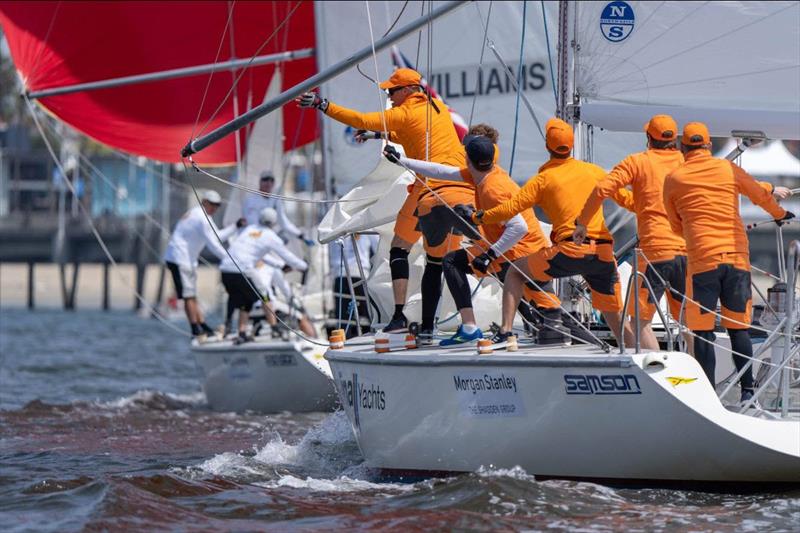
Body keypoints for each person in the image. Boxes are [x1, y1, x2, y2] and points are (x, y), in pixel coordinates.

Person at [297, 67, 470, 341]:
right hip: (463, 188)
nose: (389, 96)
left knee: (399, 249)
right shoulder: (436, 107)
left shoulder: (403, 113)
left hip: (430, 188)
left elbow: (363, 118)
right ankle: (467, 324)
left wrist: (323, 105)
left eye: (391, 91)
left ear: (407, 90)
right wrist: (376, 136)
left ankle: (401, 317)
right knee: (446, 261)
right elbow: (411, 133)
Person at [384, 130, 562, 346]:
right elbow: (440, 171)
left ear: (468, 159)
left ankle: (532, 327)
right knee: (455, 261)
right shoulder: (483, 174)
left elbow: (519, 227)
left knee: (532, 295)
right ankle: (482, 327)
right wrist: (401, 160)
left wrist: (489, 254)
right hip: (515, 249)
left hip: (522, 250)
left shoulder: (492, 188)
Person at [473, 118, 636, 345]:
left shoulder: (543, 179)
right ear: (571, 145)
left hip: (569, 250)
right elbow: (627, 199)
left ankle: (506, 332)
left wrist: (479, 216)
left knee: (515, 272)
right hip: (602, 253)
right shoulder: (595, 172)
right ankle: (640, 356)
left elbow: (510, 209)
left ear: (547, 146)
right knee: (615, 317)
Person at [663, 122, 793, 403]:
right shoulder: (727, 169)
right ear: (709, 145)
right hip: (736, 260)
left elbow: (673, 224)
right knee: (738, 328)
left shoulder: (674, 178)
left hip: (702, 262)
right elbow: (759, 195)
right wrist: (780, 214)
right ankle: (748, 393)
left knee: (702, 331)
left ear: (682, 147)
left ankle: (708, 396)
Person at [572, 115, 687, 351]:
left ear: (648, 138)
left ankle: (659, 374)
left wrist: (582, 222)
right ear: (673, 139)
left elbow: (602, 188)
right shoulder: (687, 163)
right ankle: (700, 377)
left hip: (655, 253)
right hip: (689, 252)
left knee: (638, 322)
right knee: (691, 323)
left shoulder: (638, 162)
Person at [219, 207, 309, 344]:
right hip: (242, 270)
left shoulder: (249, 230)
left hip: (225, 269)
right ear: (274, 223)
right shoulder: (271, 236)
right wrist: (303, 266)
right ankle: (274, 328)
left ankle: (241, 333)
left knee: (245, 300)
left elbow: (261, 255)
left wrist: (280, 266)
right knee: (265, 296)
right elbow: (288, 256)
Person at [164, 190, 243, 337]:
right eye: (212, 204)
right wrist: (232, 260)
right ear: (204, 202)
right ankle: (196, 328)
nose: (215, 208)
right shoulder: (201, 218)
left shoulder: (201, 214)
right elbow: (213, 244)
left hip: (186, 260)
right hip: (179, 259)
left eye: (217, 205)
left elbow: (216, 236)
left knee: (191, 294)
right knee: (188, 295)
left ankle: (202, 325)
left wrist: (235, 227)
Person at [242, 172, 315, 246]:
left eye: (271, 180)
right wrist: (271, 235)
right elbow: (252, 225)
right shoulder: (251, 200)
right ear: (260, 182)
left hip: (266, 238)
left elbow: (284, 222)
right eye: (265, 179)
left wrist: (300, 235)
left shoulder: (276, 200)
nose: (268, 182)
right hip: (252, 237)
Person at [329, 233, 380, 338]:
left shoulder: (334, 227)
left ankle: (344, 342)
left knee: (343, 318)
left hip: (340, 275)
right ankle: (372, 338)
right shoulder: (366, 227)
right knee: (368, 315)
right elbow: (379, 249)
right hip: (360, 275)